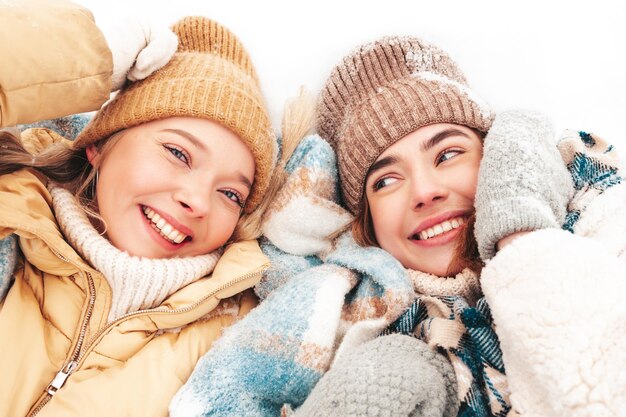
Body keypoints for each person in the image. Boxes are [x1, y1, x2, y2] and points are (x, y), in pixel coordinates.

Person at [171, 34, 626, 417]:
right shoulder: (370, 331)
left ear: (496, 155)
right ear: (368, 225)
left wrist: (518, 227)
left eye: (448, 154)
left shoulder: (596, 209)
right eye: (386, 180)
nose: (423, 191)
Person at [0, 2, 284, 416]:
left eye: (230, 194)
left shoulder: (237, 334)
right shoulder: (11, 212)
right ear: (99, 143)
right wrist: (90, 58)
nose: (198, 201)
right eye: (178, 153)